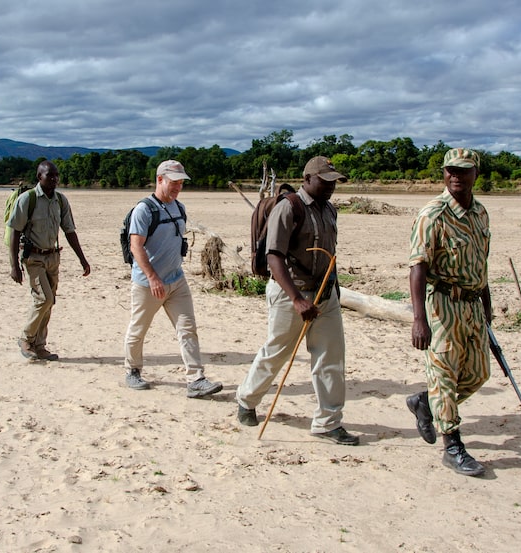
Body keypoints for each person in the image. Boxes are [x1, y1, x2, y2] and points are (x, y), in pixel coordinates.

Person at [236, 156, 359, 446]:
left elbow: (328, 253)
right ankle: (246, 400)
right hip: (289, 294)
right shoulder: (288, 207)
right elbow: (273, 256)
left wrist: (333, 290)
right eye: (325, 181)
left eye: (334, 182)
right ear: (307, 179)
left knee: (331, 358)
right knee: (277, 351)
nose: (331, 187)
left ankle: (328, 422)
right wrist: (296, 299)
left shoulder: (330, 210)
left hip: (324, 295)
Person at [407, 148, 492, 476]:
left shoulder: (481, 213)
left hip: (472, 304)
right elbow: (418, 267)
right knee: (443, 373)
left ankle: (425, 403)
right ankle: (453, 445)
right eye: (450, 170)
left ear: (476, 174)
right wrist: (419, 319)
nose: (455, 176)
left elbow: (482, 262)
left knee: (478, 373)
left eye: (463, 170)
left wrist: (486, 303)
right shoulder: (433, 214)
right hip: (442, 305)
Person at [123, 160, 223, 398]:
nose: (178, 187)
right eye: (174, 182)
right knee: (139, 329)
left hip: (177, 281)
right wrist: (153, 277)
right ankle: (132, 371)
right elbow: (136, 246)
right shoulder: (144, 210)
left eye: (181, 182)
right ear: (160, 179)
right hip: (148, 284)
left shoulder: (179, 207)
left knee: (188, 329)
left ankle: (196, 379)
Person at [8, 160, 90, 361]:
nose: (54, 179)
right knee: (43, 299)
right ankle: (25, 338)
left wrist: (82, 259)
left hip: (53, 257)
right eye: (49, 176)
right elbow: (14, 232)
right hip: (33, 258)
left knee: (49, 302)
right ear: (39, 177)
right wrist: (14, 266)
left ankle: (39, 346)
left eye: (56, 176)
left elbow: (69, 231)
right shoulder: (28, 200)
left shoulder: (60, 200)